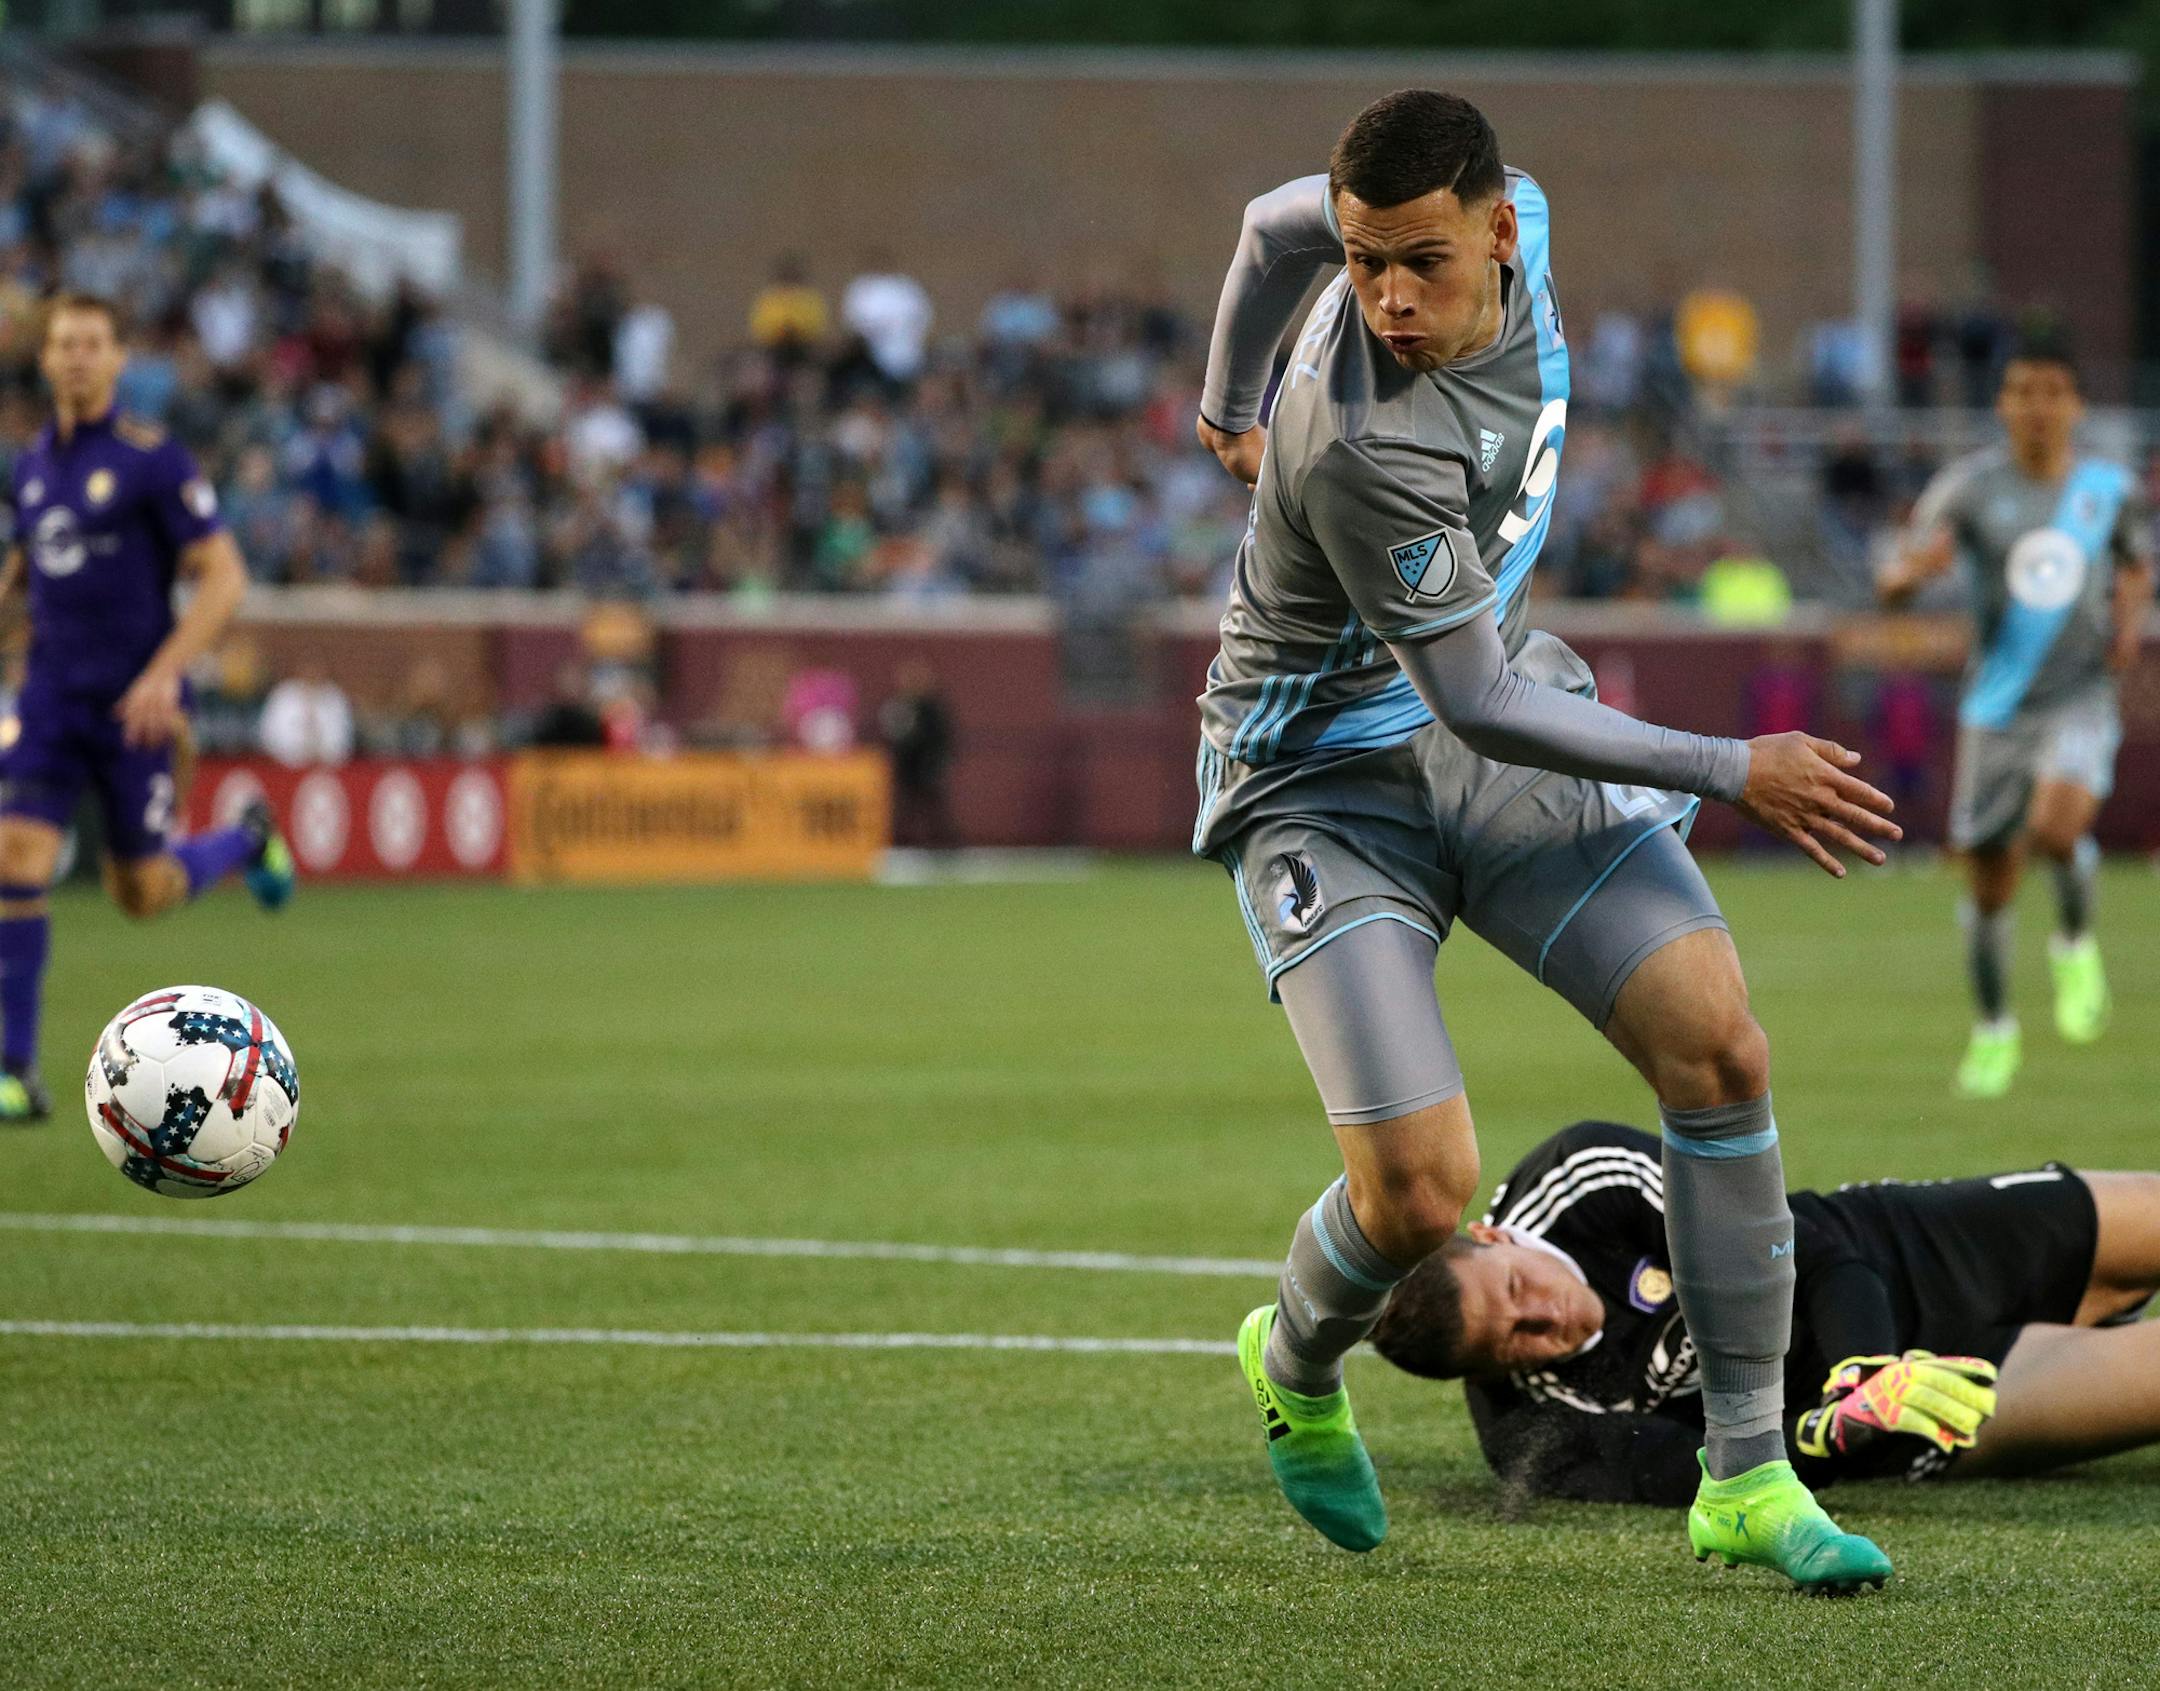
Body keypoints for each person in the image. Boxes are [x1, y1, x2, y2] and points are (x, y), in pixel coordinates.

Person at [1189, 91, 1899, 1589]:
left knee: (1719, 1046)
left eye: (1419, 263)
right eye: (1367, 263)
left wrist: (1222, 401)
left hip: (1480, 722)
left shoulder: (1526, 225)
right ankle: (1298, 1357)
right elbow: (1486, 702)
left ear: (1504, 229)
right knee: (1422, 1191)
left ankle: (1749, 1475)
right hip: (1325, 775)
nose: (1385, 297)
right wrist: (1731, 764)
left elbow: (1266, 233)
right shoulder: (1361, 443)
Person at [1369, 1120, 2160, 1503]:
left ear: (1491, 1234)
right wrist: (1837, 1428)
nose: (1546, 1323)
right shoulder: (1527, 1436)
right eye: (1513, 1347)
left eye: (1516, 1290)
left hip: (1910, 1244)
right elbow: (1702, 1471)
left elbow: (1804, 1254)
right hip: (1913, 1415)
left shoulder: (1580, 1178)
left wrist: (1862, 1368)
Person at [0, 293, 294, 1125]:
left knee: (142, 891)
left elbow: (225, 575)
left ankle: (247, 838)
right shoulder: (30, 465)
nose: (77, 357)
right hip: (53, 695)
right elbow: (30, 566)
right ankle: (15, 1070)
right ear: (46, 357)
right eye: (64, 344)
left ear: (120, 358)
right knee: (15, 854)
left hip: (139, 709)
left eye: (93, 343)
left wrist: (167, 672)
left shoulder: (152, 460)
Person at [1878, 340, 2154, 1098]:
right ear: (2003, 404)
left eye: (2053, 392)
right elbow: (1894, 576)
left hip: (2079, 695)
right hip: (1998, 707)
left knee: (2059, 830)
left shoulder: (2107, 487)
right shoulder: (1968, 490)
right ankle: (1995, 1030)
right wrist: (1911, 576)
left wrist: (2128, 620)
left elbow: (2135, 562)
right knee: (1991, 886)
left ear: (2076, 406)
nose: (2038, 406)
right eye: (2023, 391)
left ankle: (2073, 943)